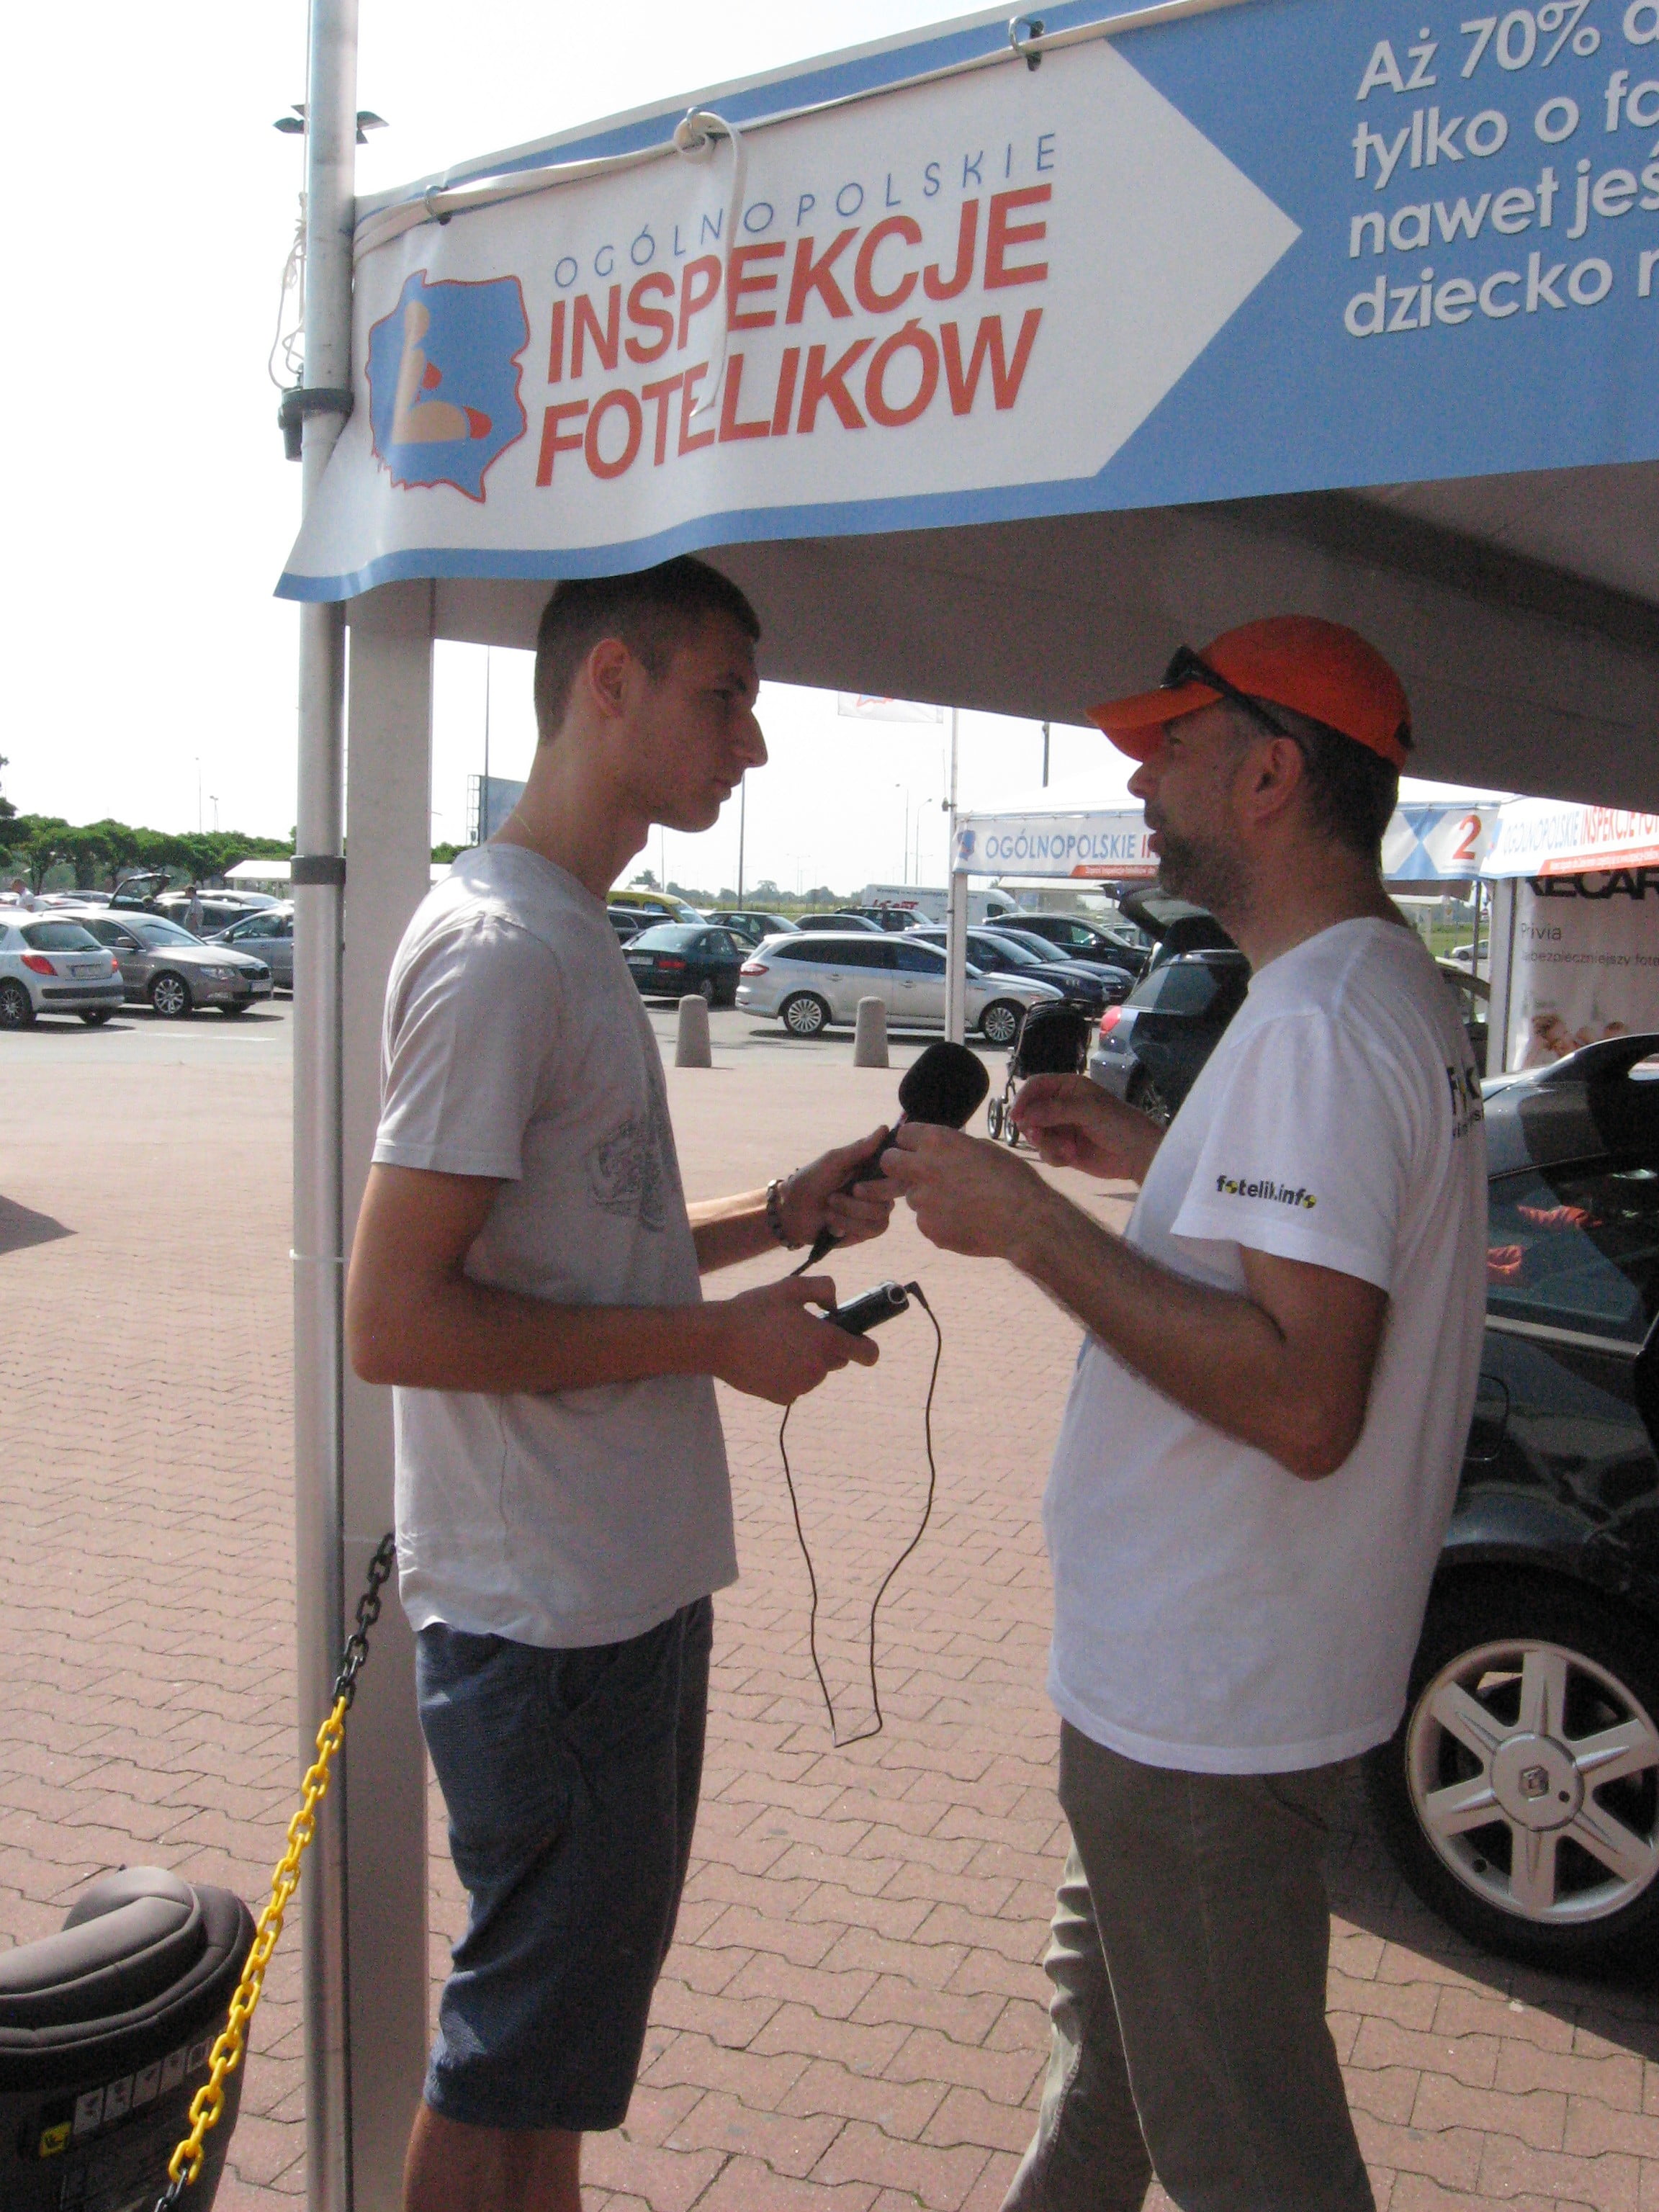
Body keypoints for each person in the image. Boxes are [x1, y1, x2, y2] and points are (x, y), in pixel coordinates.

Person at [878, 617, 1488, 2212]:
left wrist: (1027, 1222)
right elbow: (1333, 1245)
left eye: (1173, 744)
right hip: (1205, 1684)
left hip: (1210, 1704)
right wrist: (1156, 1157)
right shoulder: (1371, 991)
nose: (1142, 781)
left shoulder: (1320, 1024)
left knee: (1249, 2153)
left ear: (1274, 775)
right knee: (1113, 2085)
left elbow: (1304, 1400)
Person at [345, 556, 896, 2212]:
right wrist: (718, 1342)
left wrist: (777, 1215)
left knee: (557, 2057)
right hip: (550, 1617)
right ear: (609, 684)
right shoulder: (500, 952)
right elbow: (397, 1320)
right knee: (515, 2051)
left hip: (611, 1597)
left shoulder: (564, 933)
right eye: (726, 697)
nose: (754, 743)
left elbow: (586, 1254)